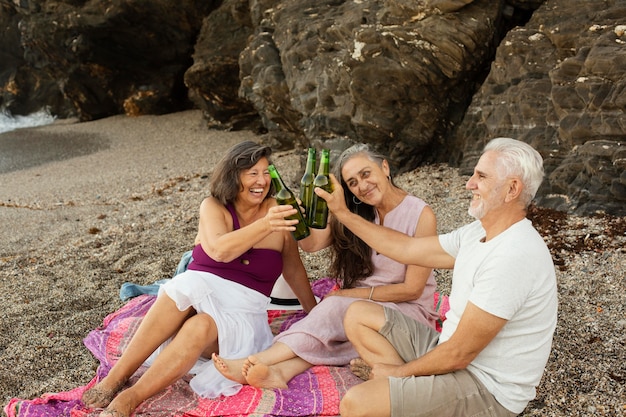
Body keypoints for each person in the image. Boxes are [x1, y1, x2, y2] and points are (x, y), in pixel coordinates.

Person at [318, 138, 557, 417]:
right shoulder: (476, 233)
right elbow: (406, 248)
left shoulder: (514, 255)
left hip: (486, 387)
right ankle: (410, 396)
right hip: (449, 353)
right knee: (358, 314)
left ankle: (404, 391)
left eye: (481, 176)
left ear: (512, 189)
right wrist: (341, 213)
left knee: (356, 404)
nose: (469, 184)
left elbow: (459, 354)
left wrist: (397, 373)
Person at [81, 141, 318, 417]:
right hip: (197, 291)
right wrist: (266, 224)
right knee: (181, 288)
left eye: (267, 172)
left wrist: (314, 313)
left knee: (200, 323)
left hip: (240, 315)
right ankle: (115, 378)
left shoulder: (279, 211)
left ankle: (132, 397)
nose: (262, 181)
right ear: (233, 175)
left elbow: (294, 269)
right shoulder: (214, 207)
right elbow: (219, 249)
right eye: (252, 173)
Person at [213, 143, 439, 390]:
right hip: (364, 309)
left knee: (334, 309)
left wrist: (347, 295)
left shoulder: (420, 215)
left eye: (366, 174)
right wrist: (296, 219)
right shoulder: (355, 211)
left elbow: (412, 290)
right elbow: (312, 245)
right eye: (352, 182)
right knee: (339, 332)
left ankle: (257, 359)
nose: (362, 186)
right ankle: (281, 371)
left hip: (408, 312)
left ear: (384, 167)